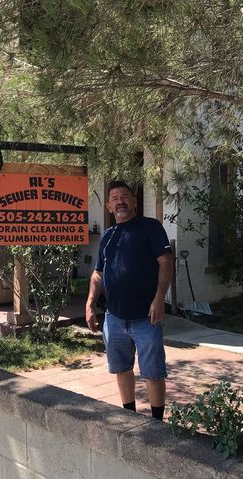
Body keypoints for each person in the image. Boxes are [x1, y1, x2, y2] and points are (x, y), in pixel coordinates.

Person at [85, 180, 173, 420]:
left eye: (124, 196)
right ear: (109, 207)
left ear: (134, 201)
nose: (120, 201)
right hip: (114, 317)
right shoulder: (108, 236)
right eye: (114, 198)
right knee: (121, 369)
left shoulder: (150, 227)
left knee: (153, 373)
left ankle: (157, 422)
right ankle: (129, 416)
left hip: (146, 316)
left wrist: (159, 298)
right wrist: (90, 303)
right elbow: (98, 273)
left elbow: (165, 262)